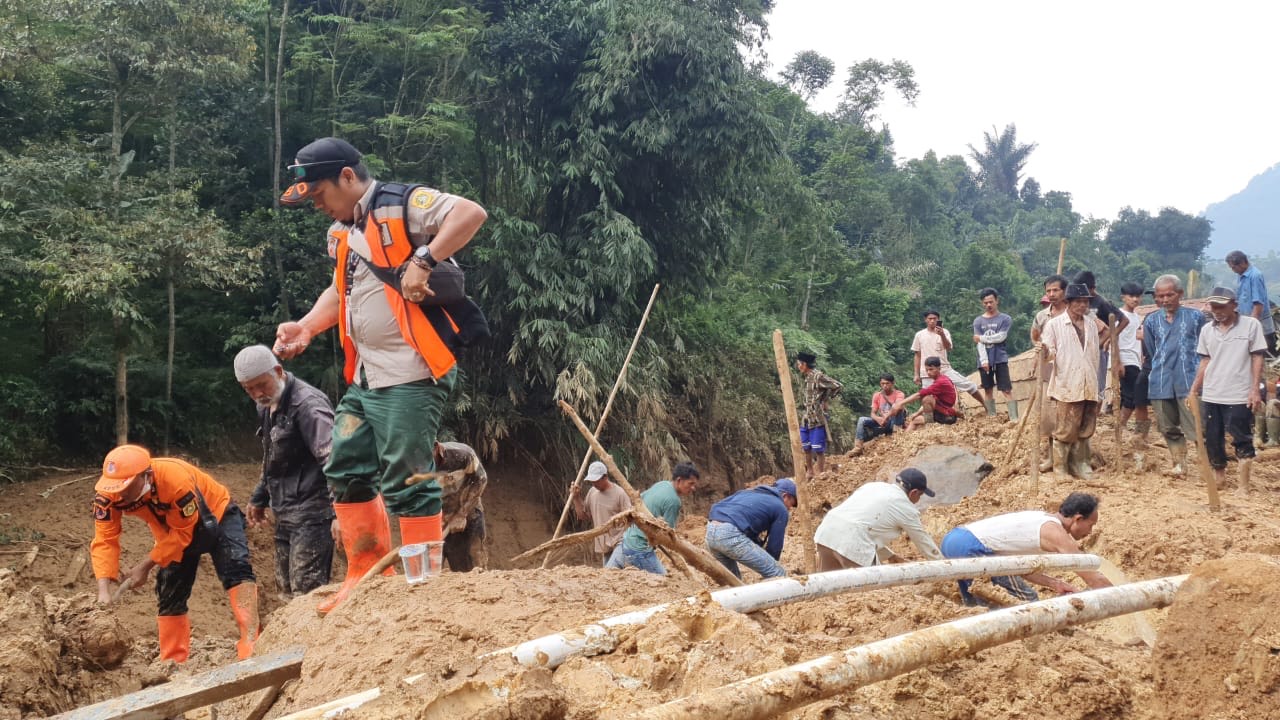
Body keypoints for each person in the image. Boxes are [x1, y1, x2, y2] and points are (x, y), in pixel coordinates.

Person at [273, 137, 487, 614]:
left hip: (411, 372)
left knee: (409, 477)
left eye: (320, 193)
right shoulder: (344, 232)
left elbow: (470, 213)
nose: (318, 205)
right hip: (367, 376)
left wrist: (424, 259)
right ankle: (368, 571)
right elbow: (340, 293)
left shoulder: (400, 204)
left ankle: (421, 588)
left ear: (347, 177)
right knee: (345, 464)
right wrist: (306, 327)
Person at [91, 445, 258, 662]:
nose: (119, 494)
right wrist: (103, 590)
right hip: (170, 531)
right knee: (169, 589)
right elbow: (105, 540)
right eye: (114, 488)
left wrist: (144, 566)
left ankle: (252, 641)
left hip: (216, 514)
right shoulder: (107, 496)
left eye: (126, 487)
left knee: (237, 569)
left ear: (146, 476)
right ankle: (173, 660)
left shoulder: (175, 481)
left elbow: (183, 535)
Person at [235, 345, 337, 601]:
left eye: (262, 385)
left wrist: (340, 513)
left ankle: (312, 642)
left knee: (307, 593)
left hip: (314, 512)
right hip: (285, 510)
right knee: (286, 591)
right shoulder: (267, 406)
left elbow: (334, 460)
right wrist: (260, 496)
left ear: (278, 371)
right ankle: (292, 641)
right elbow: (272, 455)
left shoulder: (308, 406)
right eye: (249, 389)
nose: (258, 394)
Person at [940, 492, 1112, 606]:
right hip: (972, 547)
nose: (1090, 532)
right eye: (1091, 525)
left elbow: (1020, 568)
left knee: (977, 605)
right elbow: (1090, 575)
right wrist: (1123, 595)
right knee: (1027, 602)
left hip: (954, 539)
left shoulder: (1041, 519)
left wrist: (1055, 583)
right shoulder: (1055, 532)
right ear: (1078, 519)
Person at [1188, 287, 1267, 495]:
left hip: (1240, 392)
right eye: (1214, 306)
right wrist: (1194, 388)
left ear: (1234, 305)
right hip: (1213, 391)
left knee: (1241, 437)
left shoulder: (1251, 326)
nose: (1217, 310)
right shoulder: (1207, 330)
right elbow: (1205, 360)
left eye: (1222, 306)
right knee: (1213, 437)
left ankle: (1243, 484)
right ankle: (1219, 477)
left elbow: (1258, 357)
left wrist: (1254, 390)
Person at [813, 469, 943, 571]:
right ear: (913, 492)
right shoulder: (904, 506)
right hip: (852, 543)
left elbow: (861, 523)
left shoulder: (873, 486)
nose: (918, 499)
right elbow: (924, 542)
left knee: (829, 592)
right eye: (920, 495)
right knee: (872, 595)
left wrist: (890, 556)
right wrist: (947, 567)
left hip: (826, 533)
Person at [1142, 274, 1206, 476]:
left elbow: (1205, 348)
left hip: (1189, 380)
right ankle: (1179, 464)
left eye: (1169, 295)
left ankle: (1207, 465)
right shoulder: (1151, 320)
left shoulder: (1196, 317)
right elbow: (1151, 350)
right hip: (1161, 380)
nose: (1164, 300)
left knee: (1197, 427)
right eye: (1160, 296)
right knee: (1167, 426)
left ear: (1180, 294)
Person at [1040, 283, 1104, 478]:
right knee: (1065, 429)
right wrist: (1044, 352)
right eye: (1078, 302)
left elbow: (1094, 354)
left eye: (1085, 302)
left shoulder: (1091, 324)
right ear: (1068, 302)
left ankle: (1081, 465)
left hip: (1089, 382)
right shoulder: (1054, 325)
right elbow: (1049, 352)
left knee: (1086, 428)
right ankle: (1060, 468)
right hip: (1067, 383)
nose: (1082, 305)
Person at [607, 463, 699, 575]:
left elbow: (640, 500)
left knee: (607, 575)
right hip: (640, 548)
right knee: (664, 582)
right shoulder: (674, 501)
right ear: (679, 480)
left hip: (627, 539)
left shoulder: (662, 484)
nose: (693, 488)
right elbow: (668, 537)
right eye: (691, 484)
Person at [704, 478, 796, 580]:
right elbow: (774, 547)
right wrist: (770, 562)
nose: (790, 508)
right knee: (777, 573)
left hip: (710, 531)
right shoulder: (780, 508)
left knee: (732, 581)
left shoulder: (747, 493)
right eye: (791, 504)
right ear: (785, 496)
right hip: (729, 533)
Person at [1031, 274, 1069, 470]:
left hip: (1070, 371)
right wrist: (1040, 350)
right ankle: (1052, 458)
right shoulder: (1042, 316)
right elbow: (1035, 336)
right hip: (1048, 370)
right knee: (1049, 417)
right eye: (1049, 291)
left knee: (1068, 415)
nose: (1052, 294)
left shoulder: (1074, 313)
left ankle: (1069, 459)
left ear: (1065, 291)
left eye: (1056, 290)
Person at [434, 440, 490, 571]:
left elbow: (481, 480)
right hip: (434, 520)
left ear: (436, 448)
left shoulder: (462, 455)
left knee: (471, 569)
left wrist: (461, 514)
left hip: (467, 513)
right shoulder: (412, 464)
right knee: (430, 572)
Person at [911, 310, 984, 407]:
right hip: (927, 371)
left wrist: (942, 335)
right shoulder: (919, 335)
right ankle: (930, 419)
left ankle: (986, 406)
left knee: (969, 385)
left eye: (935, 319)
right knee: (927, 396)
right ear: (925, 320)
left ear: (938, 320)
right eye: (930, 319)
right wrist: (916, 374)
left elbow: (948, 347)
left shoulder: (945, 332)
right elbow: (917, 355)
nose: (932, 321)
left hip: (944, 368)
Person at [1073, 271, 1127, 398]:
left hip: (1097, 348)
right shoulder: (1076, 301)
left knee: (1097, 387)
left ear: (1092, 289)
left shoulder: (1101, 302)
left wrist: (1108, 338)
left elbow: (1124, 320)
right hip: (1079, 347)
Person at [1116, 283, 1153, 469]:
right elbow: (1114, 338)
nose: (1135, 299)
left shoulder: (1137, 317)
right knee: (1131, 397)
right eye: (1131, 296)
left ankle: (1135, 432)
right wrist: (1118, 361)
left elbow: (1137, 339)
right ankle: (1120, 427)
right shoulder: (1118, 315)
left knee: (1137, 398)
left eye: (1138, 296)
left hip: (1137, 360)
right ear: (1123, 296)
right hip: (1126, 360)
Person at [573, 460, 633, 566]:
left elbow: (631, 518)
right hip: (605, 545)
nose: (594, 483)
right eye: (592, 481)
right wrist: (576, 498)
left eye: (596, 480)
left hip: (621, 541)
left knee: (610, 572)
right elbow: (583, 516)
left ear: (605, 477)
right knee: (611, 577)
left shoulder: (619, 493)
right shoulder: (592, 492)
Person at [972, 288, 1018, 420]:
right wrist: (984, 360)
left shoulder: (1005, 319)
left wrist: (981, 338)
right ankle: (991, 417)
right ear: (982, 303)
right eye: (985, 302)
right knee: (988, 389)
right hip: (984, 359)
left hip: (1000, 358)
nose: (989, 305)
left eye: (991, 302)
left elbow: (1001, 337)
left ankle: (1014, 418)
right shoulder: (978, 321)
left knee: (1006, 389)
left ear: (997, 301)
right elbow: (978, 343)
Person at [795, 351, 843, 474]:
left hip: (816, 417)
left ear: (804, 364)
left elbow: (837, 386)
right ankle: (810, 472)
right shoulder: (807, 378)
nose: (798, 366)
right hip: (806, 417)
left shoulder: (818, 376)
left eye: (798, 364)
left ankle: (821, 474)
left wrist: (825, 399)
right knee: (806, 446)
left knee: (818, 448)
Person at [1226, 250, 1276, 356]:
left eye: (1234, 267)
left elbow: (1258, 304)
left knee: (1265, 355)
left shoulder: (1255, 276)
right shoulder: (1241, 275)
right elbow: (1241, 299)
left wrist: (1251, 326)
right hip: (1246, 320)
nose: (1233, 270)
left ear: (1243, 262)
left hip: (1260, 324)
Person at [892, 356, 960, 430]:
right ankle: (905, 439)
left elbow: (919, 395)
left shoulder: (941, 382)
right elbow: (934, 402)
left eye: (931, 369)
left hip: (947, 415)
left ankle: (930, 428)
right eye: (927, 370)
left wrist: (900, 403)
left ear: (939, 368)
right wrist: (917, 413)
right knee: (915, 420)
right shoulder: (941, 379)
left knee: (927, 399)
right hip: (943, 412)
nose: (928, 372)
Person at [851, 374, 906, 455]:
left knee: (899, 409)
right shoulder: (877, 395)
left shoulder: (899, 394)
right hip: (884, 423)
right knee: (861, 419)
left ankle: (897, 438)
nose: (885, 386)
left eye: (887, 383)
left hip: (894, 422)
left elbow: (897, 407)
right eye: (882, 384)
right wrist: (877, 418)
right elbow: (872, 413)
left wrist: (886, 416)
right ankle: (858, 447)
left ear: (893, 383)